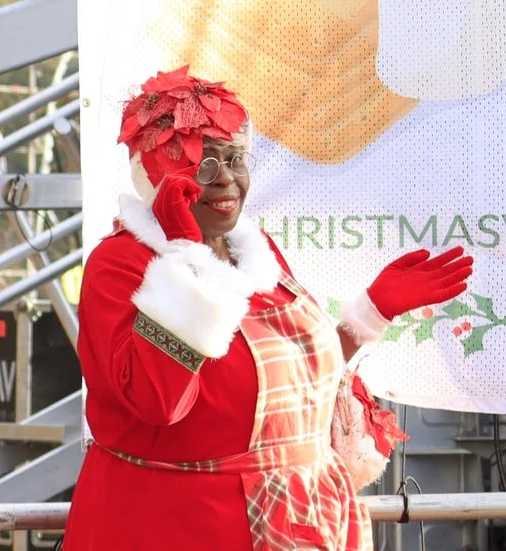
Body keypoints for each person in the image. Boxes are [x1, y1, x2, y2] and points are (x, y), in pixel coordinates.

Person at [68, 67, 474, 549]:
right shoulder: (120, 264)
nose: (226, 181)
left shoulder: (254, 252)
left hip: (299, 520)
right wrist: (185, 258)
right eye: (204, 164)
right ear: (159, 173)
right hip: (183, 527)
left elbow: (287, 388)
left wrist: (371, 313)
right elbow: (159, 400)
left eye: (235, 159)